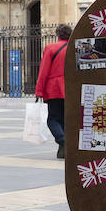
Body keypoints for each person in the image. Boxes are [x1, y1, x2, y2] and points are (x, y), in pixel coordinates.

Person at [34, 24, 71, 160]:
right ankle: (63, 150)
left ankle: (63, 140)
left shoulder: (51, 48)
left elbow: (44, 71)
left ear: (58, 35)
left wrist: (39, 91)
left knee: (53, 119)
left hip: (54, 89)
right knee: (66, 119)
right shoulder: (75, 47)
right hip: (71, 89)